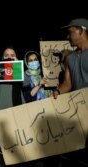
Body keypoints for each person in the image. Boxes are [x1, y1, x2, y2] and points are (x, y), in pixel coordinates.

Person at [0, 46, 30, 167]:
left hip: (18, 113)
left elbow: (26, 83)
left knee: (20, 146)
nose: (9, 57)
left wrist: (17, 65)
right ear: (2, 58)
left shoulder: (19, 71)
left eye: (12, 55)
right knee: (1, 148)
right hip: (0, 115)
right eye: (6, 55)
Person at [52, 18, 88, 166]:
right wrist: (58, 91)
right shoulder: (71, 58)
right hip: (79, 113)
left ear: (80, 31)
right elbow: (67, 83)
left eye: (70, 32)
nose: (68, 37)